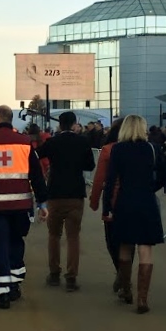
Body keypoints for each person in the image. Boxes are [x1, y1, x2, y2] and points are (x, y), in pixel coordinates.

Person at [0, 105, 48, 309]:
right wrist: (42, 202)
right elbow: (37, 175)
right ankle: (15, 284)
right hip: (20, 204)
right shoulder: (25, 143)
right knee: (16, 242)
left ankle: (2, 293)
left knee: (0, 245)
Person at [103, 115, 166, 314]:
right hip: (147, 201)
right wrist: (151, 187)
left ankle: (126, 289)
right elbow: (164, 175)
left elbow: (111, 178)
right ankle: (142, 299)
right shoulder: (152, 149)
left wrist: (107, 207)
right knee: (145, 249)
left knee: (125, 246)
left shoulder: (118, 149)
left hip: (125, 201)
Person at [38, 111, 95, 292]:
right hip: (76, 193)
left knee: (54, 235)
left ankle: (54, 274)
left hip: (55, 193)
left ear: (60, 125)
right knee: (73, 237)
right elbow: (90, 165)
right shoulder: (83, 142)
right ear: (74, 124)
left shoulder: (52, 142)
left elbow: (38, 154)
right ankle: (71, 277)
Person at [89, 118, 133, 293]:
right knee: (129, 243)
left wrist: (94, 201)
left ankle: (122, 275)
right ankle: (125, 277)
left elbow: (99, 178)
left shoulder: (107, 150)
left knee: (112, 242)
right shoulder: (137, 148)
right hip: (133, 201)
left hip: (113, 201)